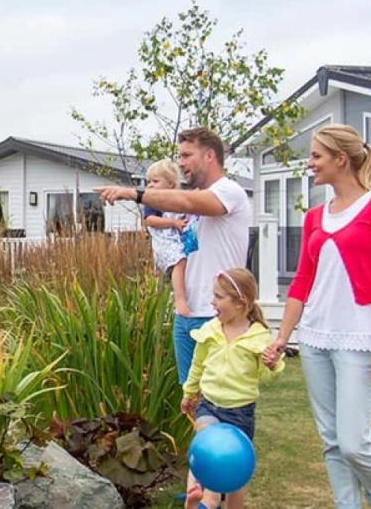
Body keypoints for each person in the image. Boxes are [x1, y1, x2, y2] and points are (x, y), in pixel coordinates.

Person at [262, 124, 371, 509]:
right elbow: (301, 282)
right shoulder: (314, 217)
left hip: (360, 340)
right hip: (314, 338)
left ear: (340, 159)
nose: (309, 164)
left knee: (354, 442)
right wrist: (282, 338)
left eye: (316, 156)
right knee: (331, 440)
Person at [97, 127, 251, 384]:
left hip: (219, 316)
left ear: (209, 156)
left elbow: (186, 201)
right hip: (187, 313)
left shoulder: (229, 191)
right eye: (179, 156)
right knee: (191, 400)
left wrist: (134, 194)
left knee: (224, 400)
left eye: (187, 155)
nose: (181, 163)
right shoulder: (193, 202)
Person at [181, 267, 283, 509]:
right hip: (209, 407)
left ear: (240, 303)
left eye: (218, 297)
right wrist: (189, 392)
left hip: (240, 414)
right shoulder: (210, 330)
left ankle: (225, 503)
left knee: (236, 473)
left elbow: (265, 377)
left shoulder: (258, 337)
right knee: (204, 446)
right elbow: (197, 365)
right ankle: (200, 500)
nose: (212, 301)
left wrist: (271, 364)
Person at [142, 159, 191, 316]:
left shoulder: (177, 198)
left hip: (177, 240)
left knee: (186, 265)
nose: (150, 185)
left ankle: (177, 298)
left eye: (155, 181)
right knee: (179, 261)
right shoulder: (152, 201)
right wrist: (173, 222)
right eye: (148, 182)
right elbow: (150, 220)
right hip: (164, 242)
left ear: (170, 184)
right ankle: (180, 299)